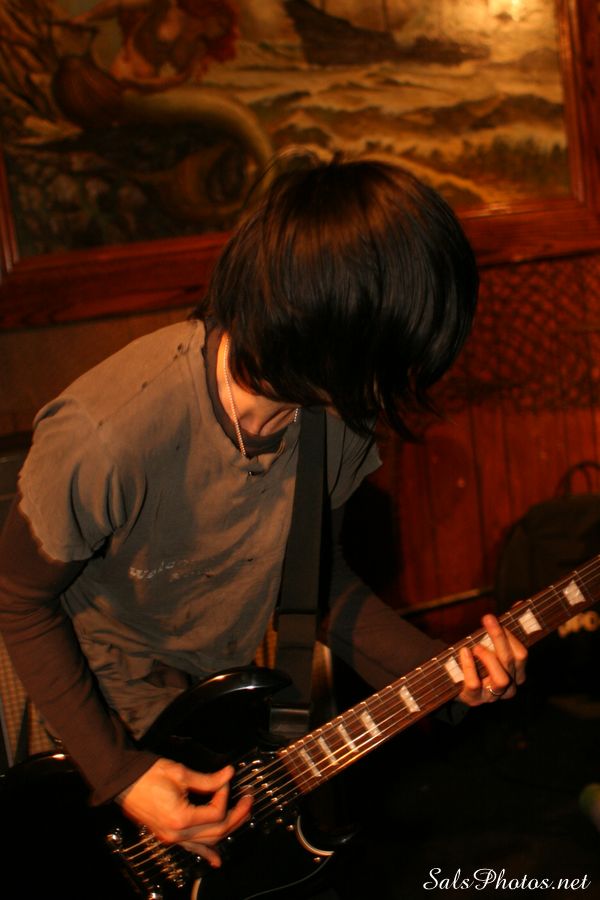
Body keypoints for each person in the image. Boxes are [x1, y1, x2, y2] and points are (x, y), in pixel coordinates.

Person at [0, 155, 526, 877]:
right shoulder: (109, 433)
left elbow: (315, 581)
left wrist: (443, 673)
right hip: (88, 728)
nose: (396, 383)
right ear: (328, 328)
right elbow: (18, 598)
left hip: (215, 718)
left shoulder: (333, 415)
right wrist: (119, 773)